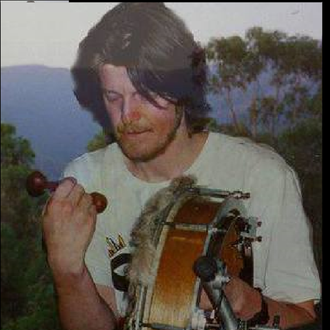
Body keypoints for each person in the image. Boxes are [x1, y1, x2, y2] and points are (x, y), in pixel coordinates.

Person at [42, 3, 321, 330]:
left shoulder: (263, 176)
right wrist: (68, 274)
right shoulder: (87, 180)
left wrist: (243, 302)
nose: (127, 115)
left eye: (145, 94)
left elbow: (303, 318)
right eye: (113, 96)